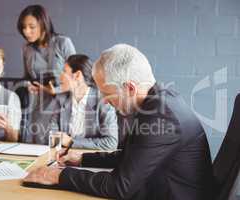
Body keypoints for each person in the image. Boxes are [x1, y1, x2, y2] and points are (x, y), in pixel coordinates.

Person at [23, 44, 214, 200]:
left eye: (107, 93)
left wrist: (59, 175)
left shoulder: (161, 115)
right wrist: (83, 158)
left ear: (130, 88)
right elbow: (134, 157)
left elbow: (120, 187)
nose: (104, 100)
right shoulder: (160, 101)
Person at [17, 4, 76, 142]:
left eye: (32, 27)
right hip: (39, 104)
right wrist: (28, 85)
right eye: (23, 27)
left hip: (62, 103)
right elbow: (27, 76)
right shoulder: (27, 49)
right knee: (38, 142)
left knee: (57, 145)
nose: (26, 31)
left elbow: (77, 79)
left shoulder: (63, 43)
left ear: (43, 24)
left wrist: (55, 90)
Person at [46, 54, 118, 150]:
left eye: (64, 71)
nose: (60, 77)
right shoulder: (60, 99)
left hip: (91, 159)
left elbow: (111, 142)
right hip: (64, 156)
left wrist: (71, 142)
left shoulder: (103, 102)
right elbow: (52, 133)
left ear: (78, 75)